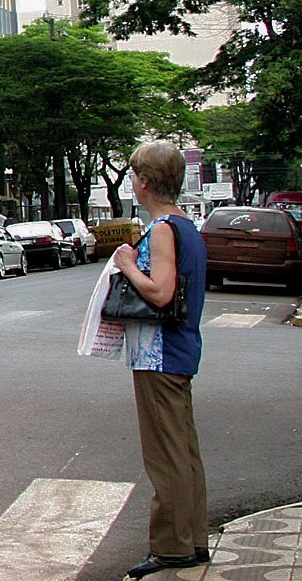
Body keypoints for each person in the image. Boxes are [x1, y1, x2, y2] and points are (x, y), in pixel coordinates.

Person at [110, 140, 209, 578]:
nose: (131, 182)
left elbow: (162, 291)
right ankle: (193, 537)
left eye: (133, 175)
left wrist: (128, 264)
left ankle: (172, 548)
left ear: (145, 182)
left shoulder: (165, 229)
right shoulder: (185, 226)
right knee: (183, 450)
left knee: (165, 455)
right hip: (178, 351)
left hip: (161, 355)